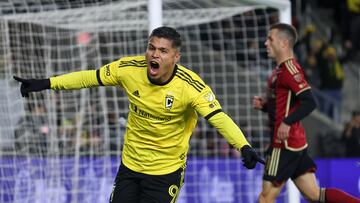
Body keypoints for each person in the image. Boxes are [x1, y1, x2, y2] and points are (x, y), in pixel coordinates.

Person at [13, 26, 264, 203]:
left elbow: (218, 117)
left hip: (166, 173)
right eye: (151, 48)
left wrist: (243, 146)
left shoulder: (191, 87)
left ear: (176, 57)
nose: (154, 54)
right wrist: (46, 83)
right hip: (130, 168)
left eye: (163, 51)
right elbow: (90, 77)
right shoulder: (128, 69)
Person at [253, 23, 360, 203]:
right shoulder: (277, 72)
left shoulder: (290, 70)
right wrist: (265, 105)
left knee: (265, 198)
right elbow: (284, 105)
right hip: (293, 142)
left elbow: (310, 101)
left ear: (284, 43)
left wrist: (287, 122)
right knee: (313, 194)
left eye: (270, 39)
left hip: (283, 144)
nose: (265, 43)